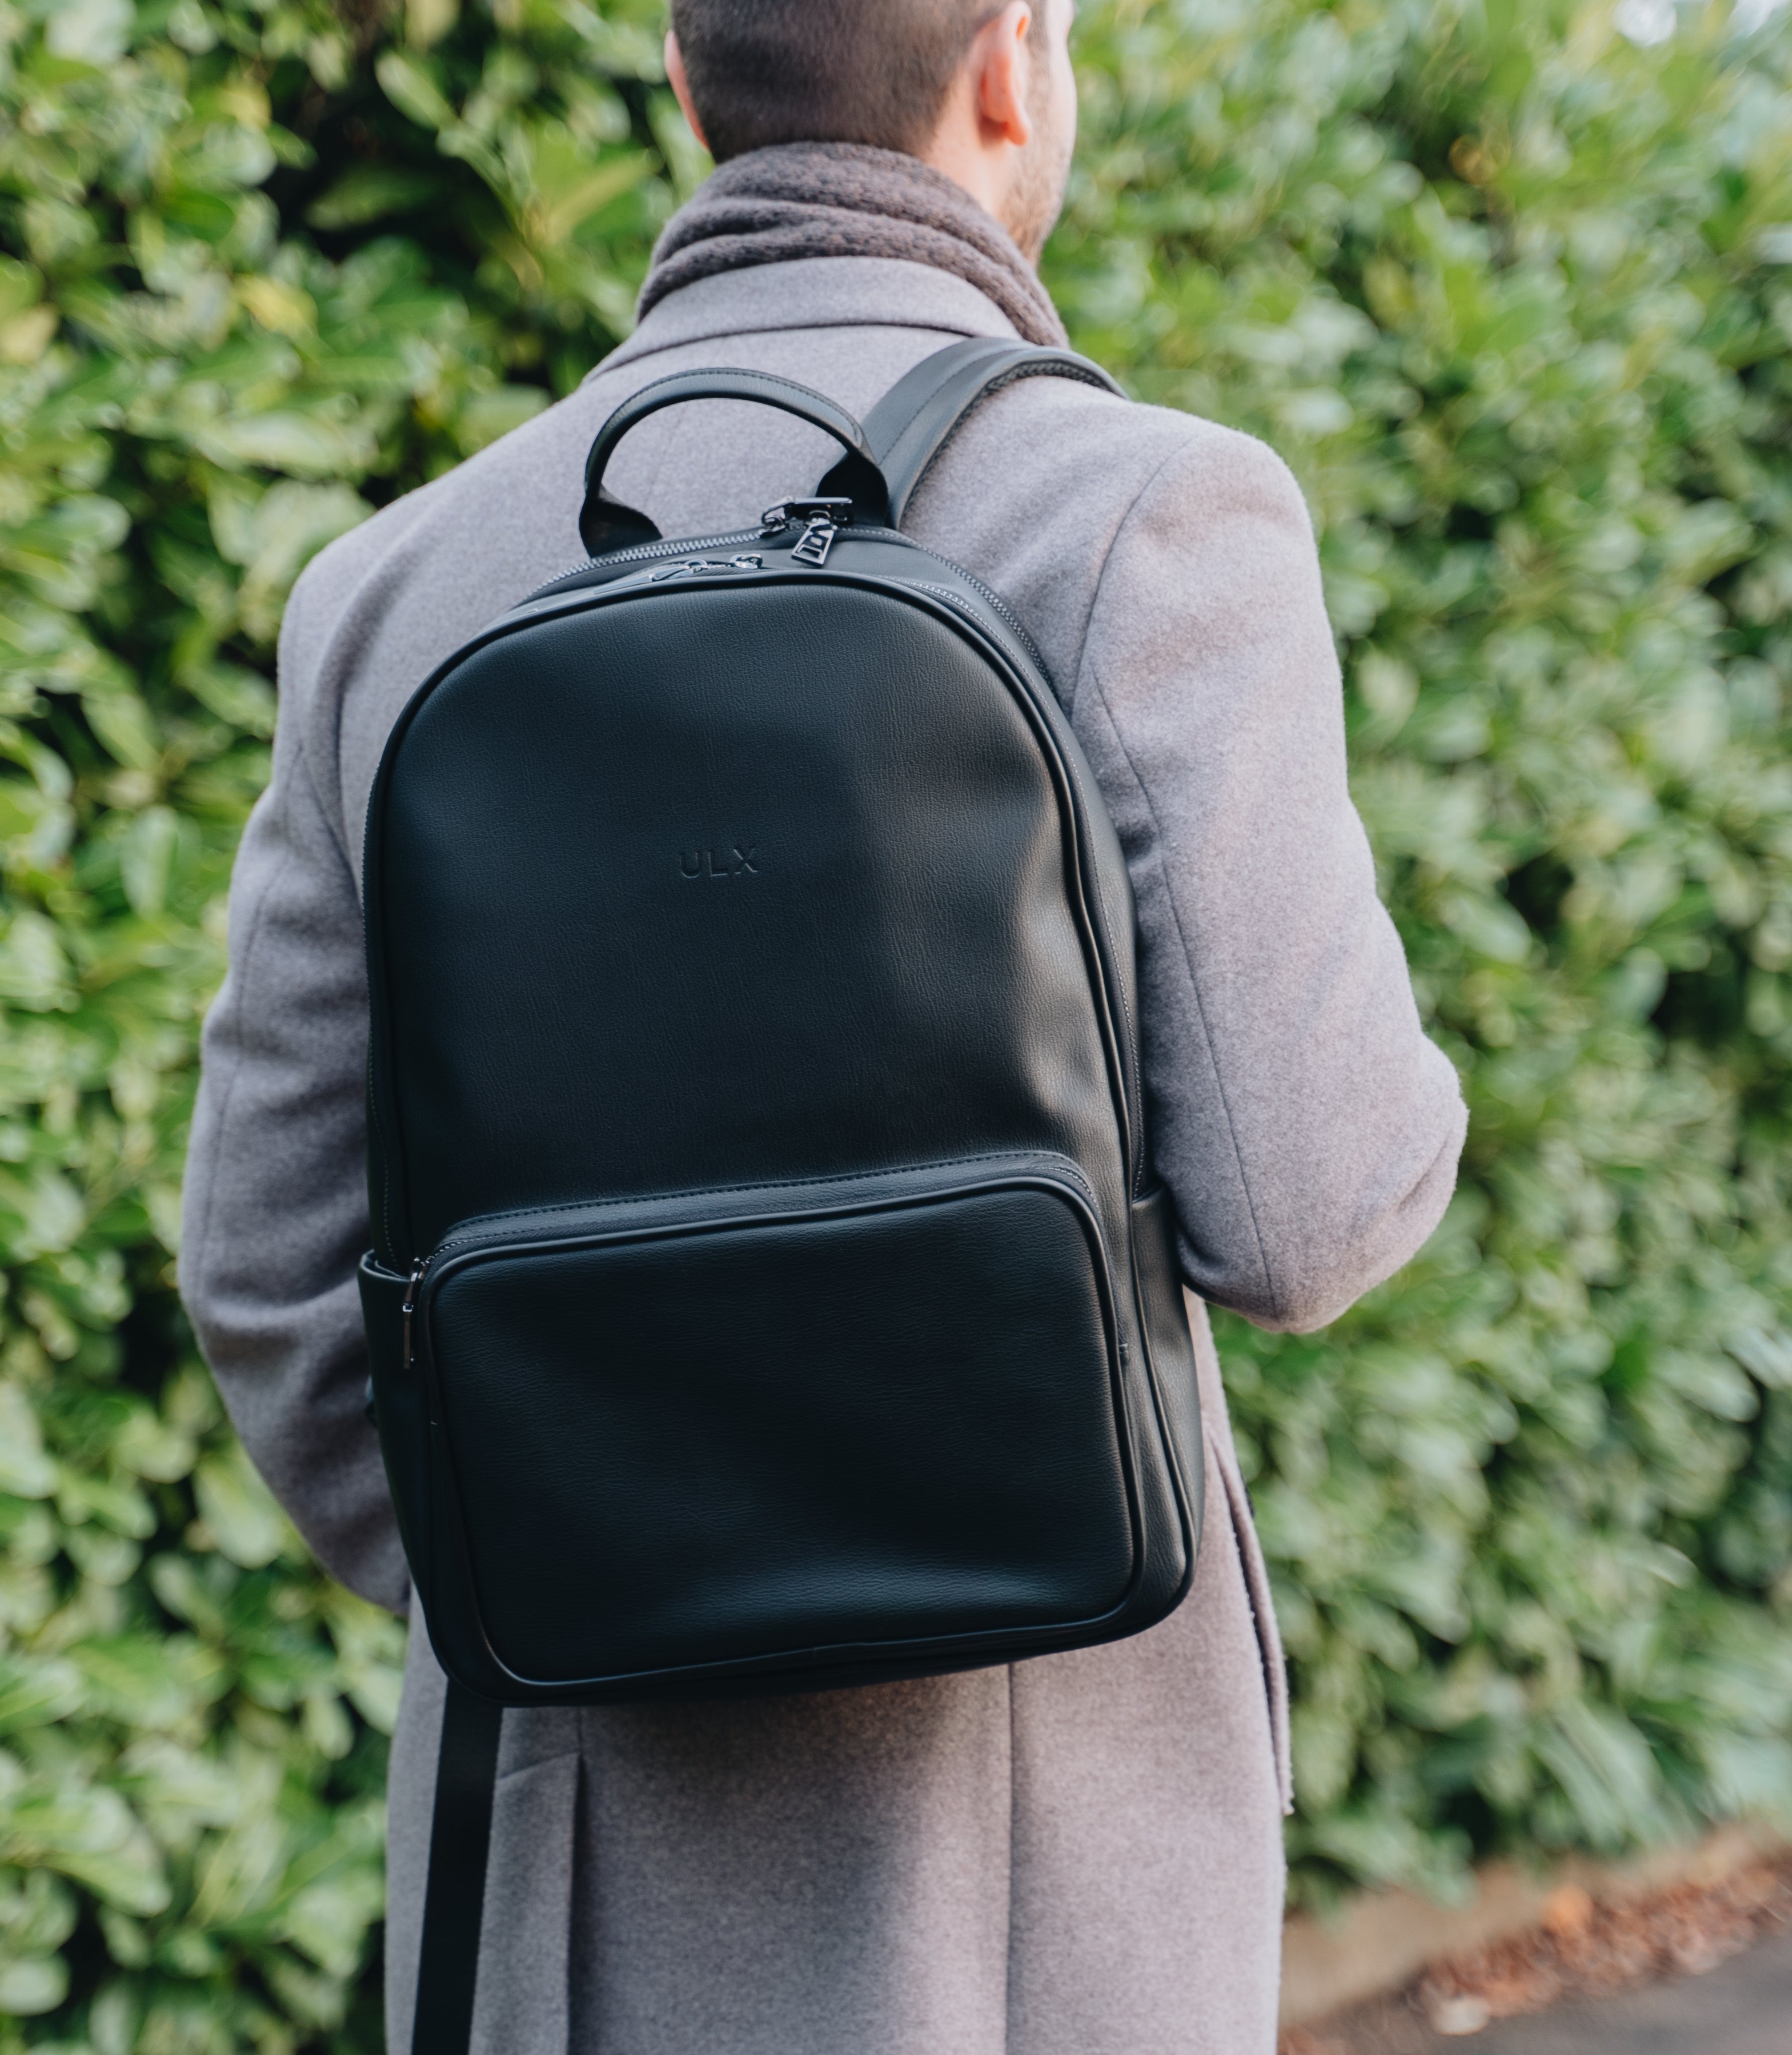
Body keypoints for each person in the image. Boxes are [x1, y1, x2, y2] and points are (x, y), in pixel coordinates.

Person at [179, 0, 1469, 2046]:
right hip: (1038, 1859)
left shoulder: (394, 588)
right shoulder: (1149, 518)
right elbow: (1314, 1205)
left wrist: (592, 1558)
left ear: (688, 92)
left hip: (569, 1845)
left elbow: (270, 1283)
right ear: (1012, 65)